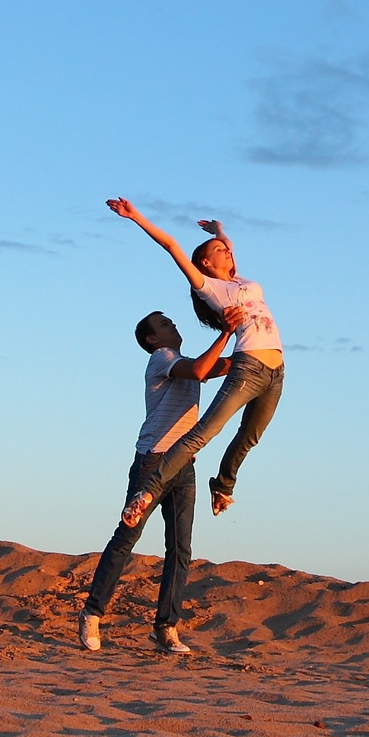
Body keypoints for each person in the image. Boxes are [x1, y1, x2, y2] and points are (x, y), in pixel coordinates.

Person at [105, 199, 286, 529]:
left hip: (276, 372)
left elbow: (228, 244)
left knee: (251, 435)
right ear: (205, 261)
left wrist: (219, 231)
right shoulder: (210, 288)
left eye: (227, 249)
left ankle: (223, 485)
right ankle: (147, 491)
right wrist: (136, 217)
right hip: (248, 366)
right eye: (220, 250)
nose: (228, 252)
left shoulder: (240, 281)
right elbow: (171, 245)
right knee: (203, 433)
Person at [77, 310, 234, 654]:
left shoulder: (186, 361)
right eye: (164, 324)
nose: (172, 324)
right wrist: (226, 332)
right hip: (153, 462)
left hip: (183, 465)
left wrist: (248, 351)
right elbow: (199, 370)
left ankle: (166, 627)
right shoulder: (162, 359)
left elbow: (217, 367)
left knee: (180, 549)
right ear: (152, 339)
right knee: (127, 537)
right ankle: (92, 613)